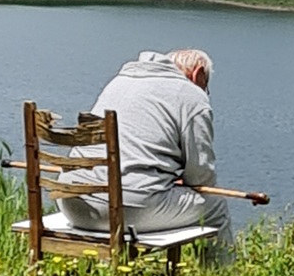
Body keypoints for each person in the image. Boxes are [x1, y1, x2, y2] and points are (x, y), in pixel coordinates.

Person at [53, 47, 235, 263]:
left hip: (71, 203)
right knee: (215, 206)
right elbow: (201, 176)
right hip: (125, 209)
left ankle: (107, 270)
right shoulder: (192, 95)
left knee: (129, 190)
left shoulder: (119, 82)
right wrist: (179, 181)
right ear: (199, 74)